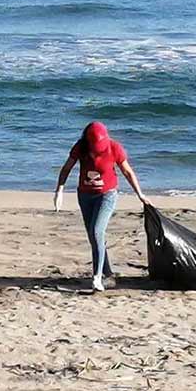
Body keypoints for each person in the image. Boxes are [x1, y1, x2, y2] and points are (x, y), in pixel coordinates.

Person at [53, 121, 148, 292]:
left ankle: (97, 277)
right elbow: (66, 168)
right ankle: (108, 274)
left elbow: (127, 172)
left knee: (97, 231)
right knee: (93, 235)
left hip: (107, 195)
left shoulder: (114, 148)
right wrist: (59, 190)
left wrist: (140, 194)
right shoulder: (80, 147)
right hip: (85, 195)